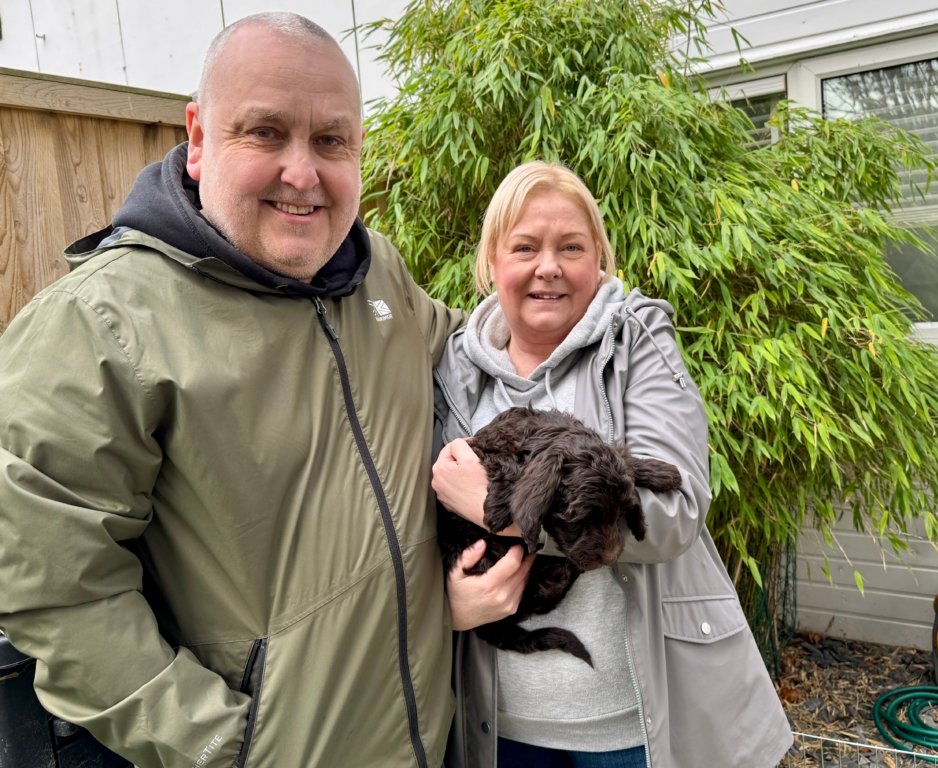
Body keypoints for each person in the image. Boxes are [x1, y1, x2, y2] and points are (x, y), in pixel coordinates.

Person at [0, 12, 530, 768]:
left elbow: (477, 355)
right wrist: (224, 745)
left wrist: (593, 322)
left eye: (331, 140)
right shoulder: (100, 325)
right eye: (265, 132)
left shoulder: (378, 275)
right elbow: (58, 591)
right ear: (198, 138)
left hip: (428, 741)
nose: (303, 173)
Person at [432, 161, 794, 767]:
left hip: (630, 724)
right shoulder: (455, 369)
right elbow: (432, 520)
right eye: (525, 246)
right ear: (492, 261)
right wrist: (446, 604)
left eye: (571, 247)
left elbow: (674, 513)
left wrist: (505, 518)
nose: (548, 266)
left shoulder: (637, 340)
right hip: (499, 724)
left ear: (599, 260)